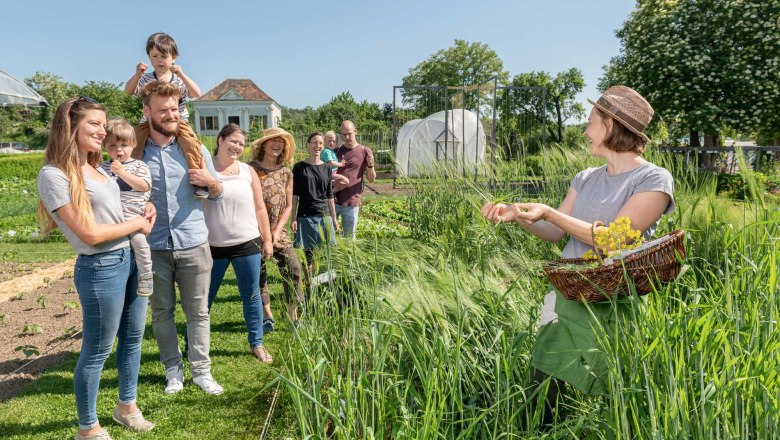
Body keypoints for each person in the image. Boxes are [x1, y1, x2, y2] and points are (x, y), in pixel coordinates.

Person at [481, 85, 675, 424]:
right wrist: (518, 217)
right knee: (541, 382)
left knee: (610, 390)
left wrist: (550, 213)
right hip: (568, 293)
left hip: (614, 301)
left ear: (610, 125)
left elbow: (616, 240)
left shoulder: (653, 179)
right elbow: (555, 232)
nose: (585, 131)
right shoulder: (585, 178)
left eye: (590, 122)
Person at [36, 97, 156, 440]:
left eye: (103, 125)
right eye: (94, 124)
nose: (102, 131)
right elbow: (88, 233)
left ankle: (126, 408)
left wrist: (145, 214)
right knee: (97, 351)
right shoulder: (54, 174)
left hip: (130, 258)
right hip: (100, 266)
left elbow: (119, 213)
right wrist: (136, 225)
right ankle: (88, 428)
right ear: (70, 126)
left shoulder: (98, 167)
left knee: (132, 339)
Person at [140, 80, 226, 396]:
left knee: (198, 312)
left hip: (193, 242)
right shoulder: (134, 151)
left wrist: (211, 183)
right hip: (153, 247)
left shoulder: (193, 148)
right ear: (147, 111)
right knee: (162, 313)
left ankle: (202, 371)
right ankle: (173, 371)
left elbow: (217, 192)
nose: (170, 115)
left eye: (174, 109)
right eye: (162, 110)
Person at [203, 124, 275, 364]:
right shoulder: (204, 166)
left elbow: (259, 208)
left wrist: (267, 239)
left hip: (247, 242)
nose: (236, 147)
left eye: (241, 144)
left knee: (252, 295)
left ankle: (257, 343)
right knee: (204, 299)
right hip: (213, 245)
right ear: (221, 139)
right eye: (232, 141)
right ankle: (196, 347)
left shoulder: (247, 171)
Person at [124, 32, 207, 199]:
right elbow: (128, 92)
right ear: (148, 57)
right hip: (148, 121)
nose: (159, 61)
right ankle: (129, 178)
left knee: (191, 144)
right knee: (133, 141)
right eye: (154, 56)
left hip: (178, 121)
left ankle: (198, 181)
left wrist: (182, 74)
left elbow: (197, 93)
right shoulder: (145, 78)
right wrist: (137, 75)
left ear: (173, 57)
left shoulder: (178, 79)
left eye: (164, 56)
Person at [248, 127, 306, 329]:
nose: (278, 144)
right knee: (258, 273)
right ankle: (267, 316)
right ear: (264, 144)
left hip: (278, 232)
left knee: (294, 269)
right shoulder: (250, 170)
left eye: (281, 142)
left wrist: (275, 231)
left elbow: (289, 205)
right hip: (253, 231)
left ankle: (293, 316)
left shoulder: (286, 173)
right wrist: (264, 233)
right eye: (273, 140)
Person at [100, 118, 154, 297]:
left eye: (123, 145)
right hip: (112, 218)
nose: (118, 150)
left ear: (133, 145)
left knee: (139, 243)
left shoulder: (139, 166)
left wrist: (121, 172)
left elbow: (144, 186)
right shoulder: (103, 167)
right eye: (112, 146)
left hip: (133, 217)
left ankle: (146, 275)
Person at [291, 132, 340, 277]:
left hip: (324, 215)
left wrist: (334, 218)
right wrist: (293, 218)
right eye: (314, 142)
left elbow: (329, 195)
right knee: (309, 255)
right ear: (308, 145)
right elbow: (295, 195)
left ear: (323, 146)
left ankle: (323, 284)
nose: (317, 146)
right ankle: (308, 284)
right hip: (306, 215)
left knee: (326, 254)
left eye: (320, 143)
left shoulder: (326, 168)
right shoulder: (299, 167)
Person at [333, 120, 376, 238]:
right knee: (328, 237)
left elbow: (371, 179)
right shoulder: (335, 151)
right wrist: (333, 182)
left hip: (352, 201)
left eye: (349, 133)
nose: (346, 137)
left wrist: (371, 165)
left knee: (349, 238)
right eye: (343, 134)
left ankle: (347, 257)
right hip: (333, 200)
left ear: (355, 131)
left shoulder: (364, 151)